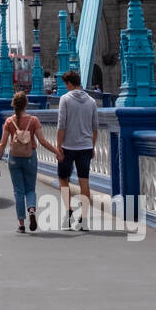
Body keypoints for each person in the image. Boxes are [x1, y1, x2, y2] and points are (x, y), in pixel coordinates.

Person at [0, 91, 61, 233]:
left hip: (14, 158)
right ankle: (31, 210)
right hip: (30, 157)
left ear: (13, 104)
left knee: (18, 191)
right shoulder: (33, 120)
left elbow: (2, 143)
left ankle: (21, 224)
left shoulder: (9, 121)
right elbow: (42, 141)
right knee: (30, 188)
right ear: (26, 104)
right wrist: (56, 151)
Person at [56, 70, 99, 230]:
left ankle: (68, 213)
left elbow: (62, 125)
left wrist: (58, 146)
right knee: (84, 182)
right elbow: (95, 129)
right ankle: (84, 218)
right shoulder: (92, 101)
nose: (65, 87)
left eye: (65, 84)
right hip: (86, 147)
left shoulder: (65, 99)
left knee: (63, 179)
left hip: (68, 146)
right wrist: (92, 146)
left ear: (69, 83)